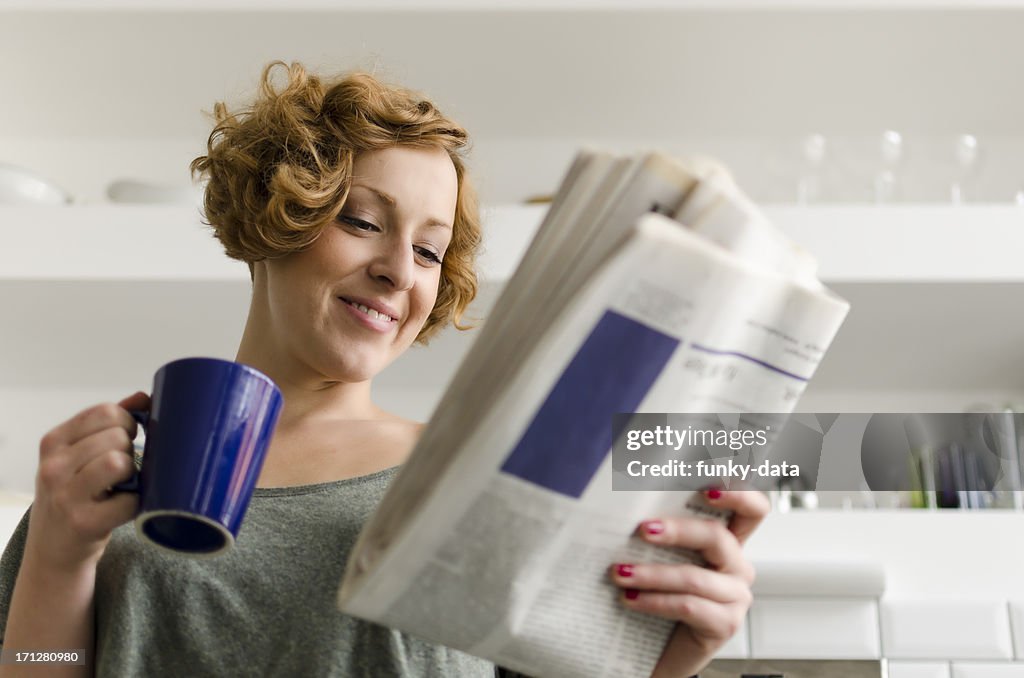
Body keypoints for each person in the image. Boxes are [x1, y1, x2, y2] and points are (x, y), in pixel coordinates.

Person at [0, 61, 769, 677]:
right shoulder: (95, 495)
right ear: (276, 216)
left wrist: (669, 667)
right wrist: (60, 555)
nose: (401, 270)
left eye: (431, 251)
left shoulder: (469, 472)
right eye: (364, 222)